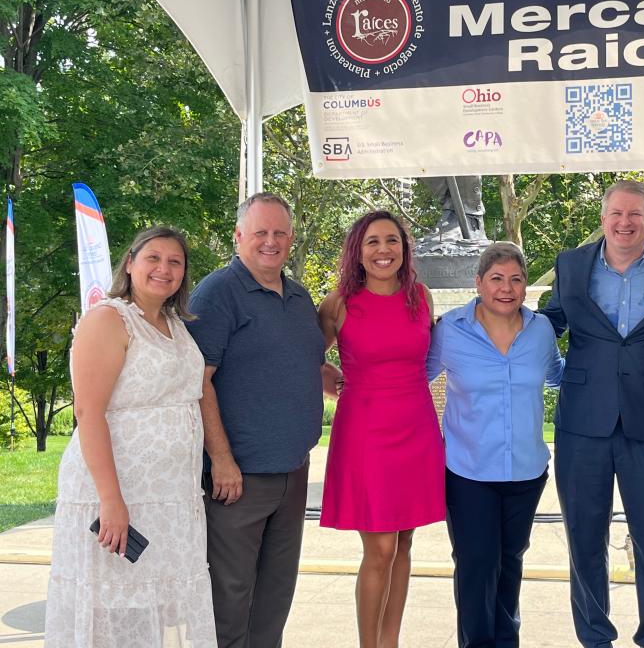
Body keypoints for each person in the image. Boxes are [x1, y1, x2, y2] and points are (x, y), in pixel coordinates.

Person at [45, 226, 216, 647]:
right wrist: (111, 500)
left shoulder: (173, 322)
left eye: (175, 262)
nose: (164, 268)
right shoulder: (108, 319)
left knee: (150, 609)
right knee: (113, 612)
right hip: (121, 493)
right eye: (153, 258)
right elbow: (89, 412)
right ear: (130, 263)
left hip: (168, 498)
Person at [541, 179, 644, 648]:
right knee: (584, 538)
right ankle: (595, 637)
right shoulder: (570, 265)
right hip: (582, 422)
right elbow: (548, 325)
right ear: (603, 218)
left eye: (635, 215)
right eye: (616, 214)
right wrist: (552, 373)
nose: (624, 223)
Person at [185, 192, 330, 648]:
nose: (271, 241)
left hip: (293, 470)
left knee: (275, 597)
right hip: (239, 478)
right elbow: (199, 382)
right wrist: (221, 459)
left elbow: (300, 359)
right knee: (230, 600)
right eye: (261, 232)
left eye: (280, 232)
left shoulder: (299, 294)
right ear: (239, 236)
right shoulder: (218, 293)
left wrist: (336, 378)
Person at [426, 241, 564, 647]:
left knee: (510, 564)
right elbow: (415, 379)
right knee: (476, 566)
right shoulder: (450, 329)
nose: (507, 288)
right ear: (479, 283)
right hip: (468, 471)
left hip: (526, 471)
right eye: (497, 279)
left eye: (516, 279)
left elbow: (556, 374)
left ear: (525, 286)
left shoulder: (540, 330)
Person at [317, 210, 445, 648]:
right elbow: (303, 356)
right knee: (381, 549)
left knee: (405, 543)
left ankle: (390, 642)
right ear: (358, 251)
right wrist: (330, 378)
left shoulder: (422, 297)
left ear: (405, 249)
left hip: (417, 427)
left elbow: (431, 357)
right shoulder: (337, 304)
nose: (383, 250)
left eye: (392, 240)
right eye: (373, 242)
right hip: (365, 433)